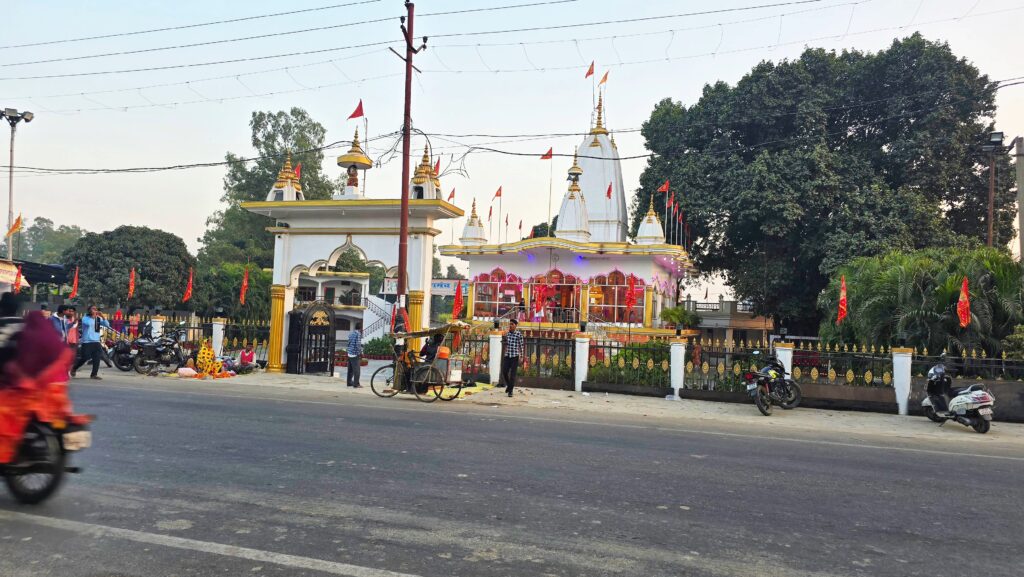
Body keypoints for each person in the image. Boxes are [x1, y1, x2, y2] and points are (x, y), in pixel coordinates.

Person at [71, 305, 112, 380]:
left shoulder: (98, 319)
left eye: (96, 309)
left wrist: (102, 317)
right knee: (85, 357)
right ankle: (74, 368)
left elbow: (107, 325)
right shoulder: (85, 318)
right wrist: (94, 316)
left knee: (97, 358)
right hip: (87, 341)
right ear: (89, 310)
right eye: (93, 309)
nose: (95, 310)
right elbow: (89, 324)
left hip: (96, 341)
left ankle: (94, 374)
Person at [500, 319, 524, 398]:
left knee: (513, 375)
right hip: (507, 355)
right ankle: (509, 386)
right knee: (504, 371)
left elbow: (521, 346)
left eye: (512, 324)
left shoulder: (518, 334)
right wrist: (504, 337)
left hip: (515, 356)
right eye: (510, 324)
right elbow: (504, 342)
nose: (510, 325)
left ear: (515, 325)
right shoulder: (507, 334)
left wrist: (522, 356)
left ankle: (510, 391)